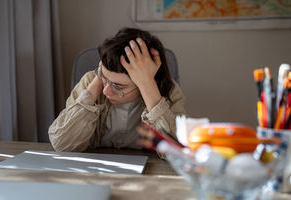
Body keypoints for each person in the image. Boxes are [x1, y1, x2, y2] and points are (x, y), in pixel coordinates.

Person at [48, 27, 187, 152]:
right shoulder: (91, 80)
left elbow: (175, 150)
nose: (106, 91)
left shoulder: (169, 90)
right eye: (104, 78)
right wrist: (99, 77)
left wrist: (147, 85)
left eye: (118, 86)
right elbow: (61, 144)